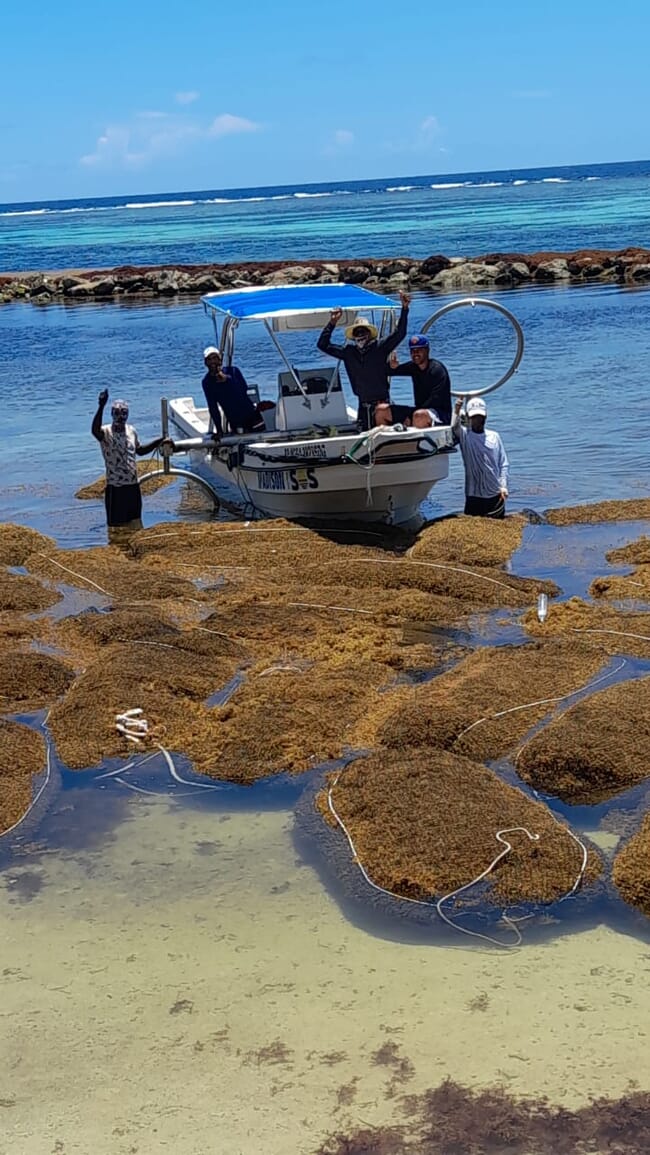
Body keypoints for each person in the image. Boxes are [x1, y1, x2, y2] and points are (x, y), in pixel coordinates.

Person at [316, 291, 410, 430]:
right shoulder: (348, 352)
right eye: (357, 333)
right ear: (353, 337)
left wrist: (405, 309)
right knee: (364, 441)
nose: (360, 335)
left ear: (369, 334)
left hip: (382, 406)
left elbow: (400, 334)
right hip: (362, 407)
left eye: (363, 332)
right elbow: (322, 345)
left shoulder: (380, 347)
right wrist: (332, 322)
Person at [91, 391, 174, 537]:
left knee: (135, 523)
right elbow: (94, 430)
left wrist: (159, 441)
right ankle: (117, 548)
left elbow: (140, 451)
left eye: (123, 413)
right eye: (116, 413)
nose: (120, 417)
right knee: (116, 527)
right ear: (111, 414)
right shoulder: (105, 432)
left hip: (132, 486)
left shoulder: (131, 431)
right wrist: (101, 406)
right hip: (115, 487)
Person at [452, 395, 509, 518]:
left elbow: (503, 463)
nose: (478, 420)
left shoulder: (494, 436)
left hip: (494, 493)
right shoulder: (465, 436)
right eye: (474, 417)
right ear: (469, 417)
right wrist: (457, 407)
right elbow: (454, 426)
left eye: (480, 417)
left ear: (485, 416)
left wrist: (503, 486)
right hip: (473, 495)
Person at [388, 334, 452, 426]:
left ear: (427, 350)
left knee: (419, 415)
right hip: (418, 411)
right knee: (382, 410)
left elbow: (436, 399)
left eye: (419, 350)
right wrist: (391, 366)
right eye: (413, 351)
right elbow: (391, 372)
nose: (415, 353)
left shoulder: (437, 370)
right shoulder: (413, 367)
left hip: (440, 414)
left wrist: (410, 417)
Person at [202, 346, 265, 438]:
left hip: (252, 416)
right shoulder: (207, 382)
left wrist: (227, 379)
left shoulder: (234, 371)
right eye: (209, 359)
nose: (212, 362)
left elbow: (243, 390)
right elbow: (213, 408)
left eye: (215, 358)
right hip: (236, 423)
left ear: (220, 360)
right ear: (205, 363)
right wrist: (219, 430)